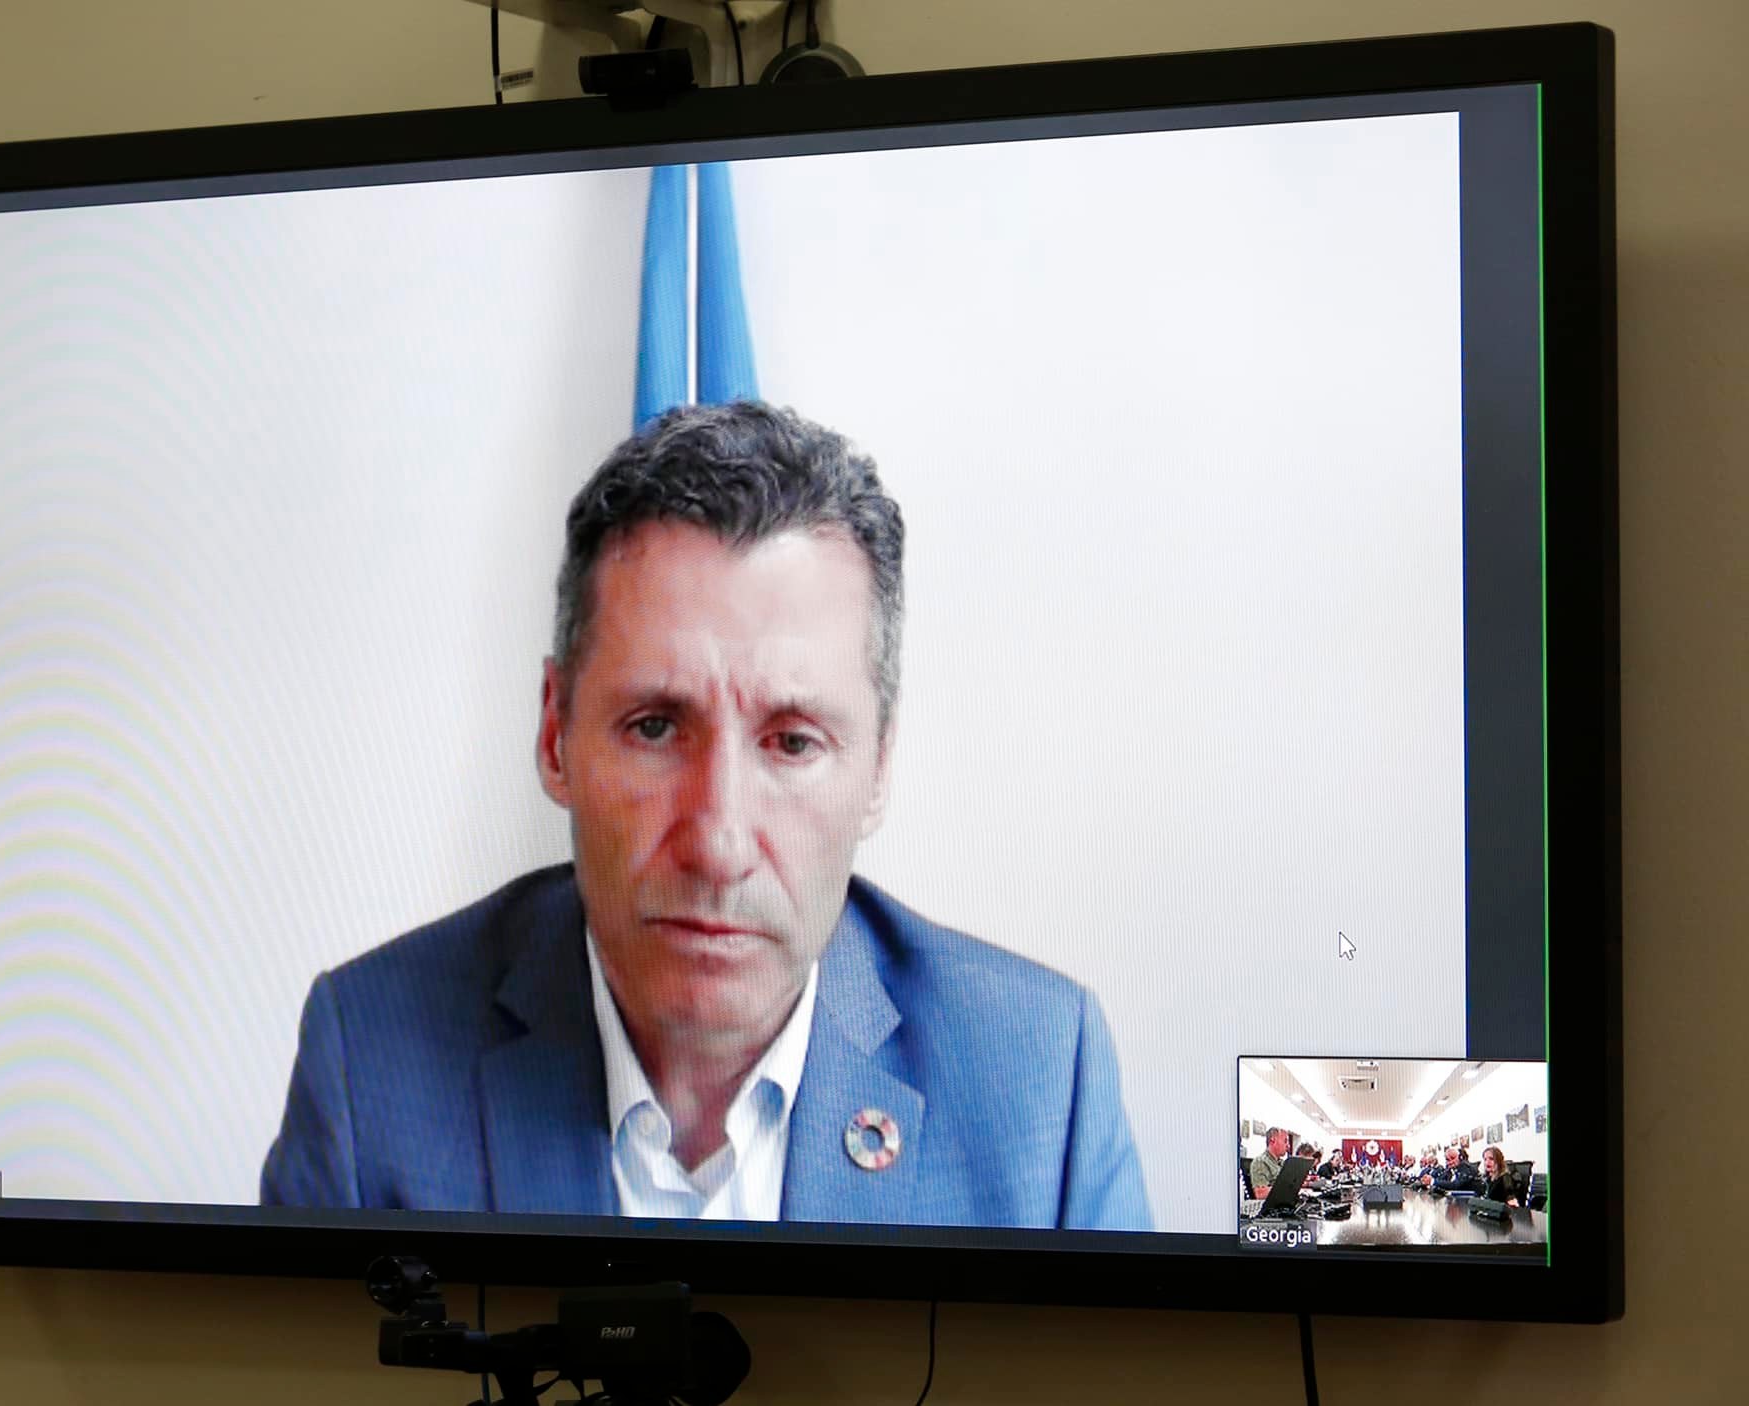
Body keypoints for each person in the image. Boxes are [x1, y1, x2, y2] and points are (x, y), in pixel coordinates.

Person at [258, 401, 1151, 1229]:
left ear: (879, 765)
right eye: (654, 728)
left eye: (792, 743)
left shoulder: (1039, 1084)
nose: (719, 845)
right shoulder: (368, 1064)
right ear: (555, 734)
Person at [1250, 1127, 1290, 1199]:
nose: (1288, 1145)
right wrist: (1287, 1188)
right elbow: (1260, 1194)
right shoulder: (1260, 1162)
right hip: (1274, 1204)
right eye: (1285, 1141)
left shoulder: (1282, 1163)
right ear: (1272, 1140)